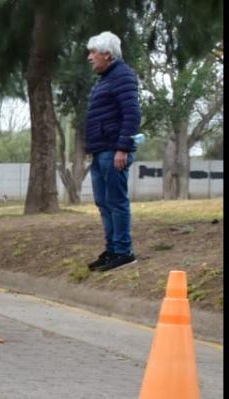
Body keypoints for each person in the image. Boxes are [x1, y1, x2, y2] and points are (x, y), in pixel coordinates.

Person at [84, 31, 141, 272]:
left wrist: (122, 148)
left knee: (116, 202)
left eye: (93, 52)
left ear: (107, 54)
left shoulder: (123, 76)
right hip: (100, 151)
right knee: (103, 202)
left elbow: (132, 114)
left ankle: (124, 252)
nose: (89, 57)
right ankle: (112, 250)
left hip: (114, 150)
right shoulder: (104, 79)